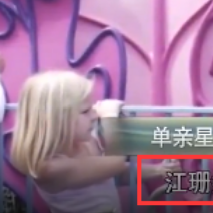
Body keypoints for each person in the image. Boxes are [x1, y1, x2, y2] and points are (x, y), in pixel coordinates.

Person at [9, 71, 178, 213]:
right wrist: (110, 116)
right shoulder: (49, 167)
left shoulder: (86, 141)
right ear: (55, 120)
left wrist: (159, 170)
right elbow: (116, 162)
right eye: (85, 111)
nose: (95, 115)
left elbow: (112, 172)